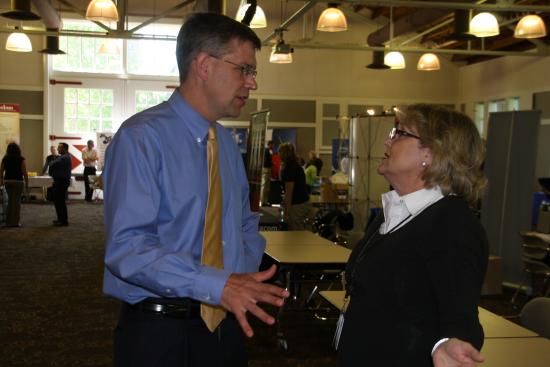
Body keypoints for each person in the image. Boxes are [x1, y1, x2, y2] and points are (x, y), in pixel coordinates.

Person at [102, 13, 289, 367]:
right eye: (244, 70)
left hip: (225, 325)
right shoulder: (141, 138)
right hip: (160, 333)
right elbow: (127, 248)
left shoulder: (228, 146)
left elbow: (244, 224)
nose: (252, 84)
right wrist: (218, 284)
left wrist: (238, 280)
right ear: (204, 65)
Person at [337, 104, 489, 367]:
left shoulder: (451, 224)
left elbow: (461, 316)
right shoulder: (395, 210)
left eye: (399, 133)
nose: (388, 140)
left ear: (431, 154)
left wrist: (451, 343)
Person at [279, 142, 310, 230]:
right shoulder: (296, 165)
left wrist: (287, 212)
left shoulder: (289, 168)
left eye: (279, 152)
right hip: (304, 202)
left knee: (295, 233)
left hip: (297, 205)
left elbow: (289, 192)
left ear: (283, 153)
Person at [0, 142, 28, 227]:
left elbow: (1, 171)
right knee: (17, 202)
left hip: (8, 181)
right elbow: (24, 172)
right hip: (18, 182)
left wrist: (1, 181)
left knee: (9, 202)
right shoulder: (21, 159)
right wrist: (27, 182)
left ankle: (8, 222)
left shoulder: (5, 158)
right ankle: (16, 222)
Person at [49, 142, 72, 226]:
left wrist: (51, 164)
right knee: (58, 201)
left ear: (65, 149)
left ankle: (63, 221)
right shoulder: (62, 157)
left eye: (59, 147)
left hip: (61, 181)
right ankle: (61, 219)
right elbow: (52, 165)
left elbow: (52, 164)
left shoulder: (65, 157)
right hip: (60, 181)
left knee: (60, 201)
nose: (58, 149)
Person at [261, 140, 273, 206]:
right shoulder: (266, 151)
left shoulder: (269, 151)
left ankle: (265, 201)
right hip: (266, 169)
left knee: (267, 186)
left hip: (268, 168)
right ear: (269, 144)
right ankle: (263, 201)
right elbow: (266, 160)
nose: (272, 146)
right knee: (264, 186)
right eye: (272, 144)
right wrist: (271, 163)